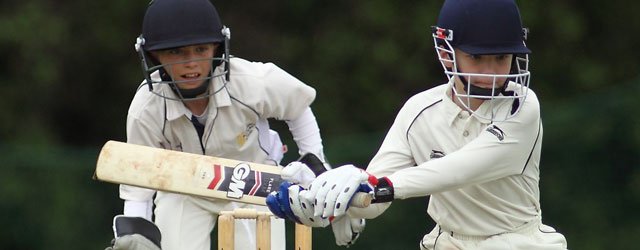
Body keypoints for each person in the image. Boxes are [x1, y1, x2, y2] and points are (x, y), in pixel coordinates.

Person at [268, 0, 569, 249]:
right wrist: (334, 199)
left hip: (519, 242)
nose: (490, 72)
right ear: (447, 53)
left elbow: (459, 169)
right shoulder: (419, 111)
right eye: (477, 58)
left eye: (501, 57)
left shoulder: (522, 106)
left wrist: (373, 185)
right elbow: (375, 198)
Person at [104, 0, 348, 249]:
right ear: (153, 55)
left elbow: (298, 107)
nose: (190, 63)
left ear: (218, 48)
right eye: (175, 52)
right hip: (184, 187)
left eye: (200, 49)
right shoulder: (146, 107)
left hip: (255, 180)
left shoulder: (251, 82)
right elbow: (138, 178)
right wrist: (137, 233)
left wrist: (317, 164)